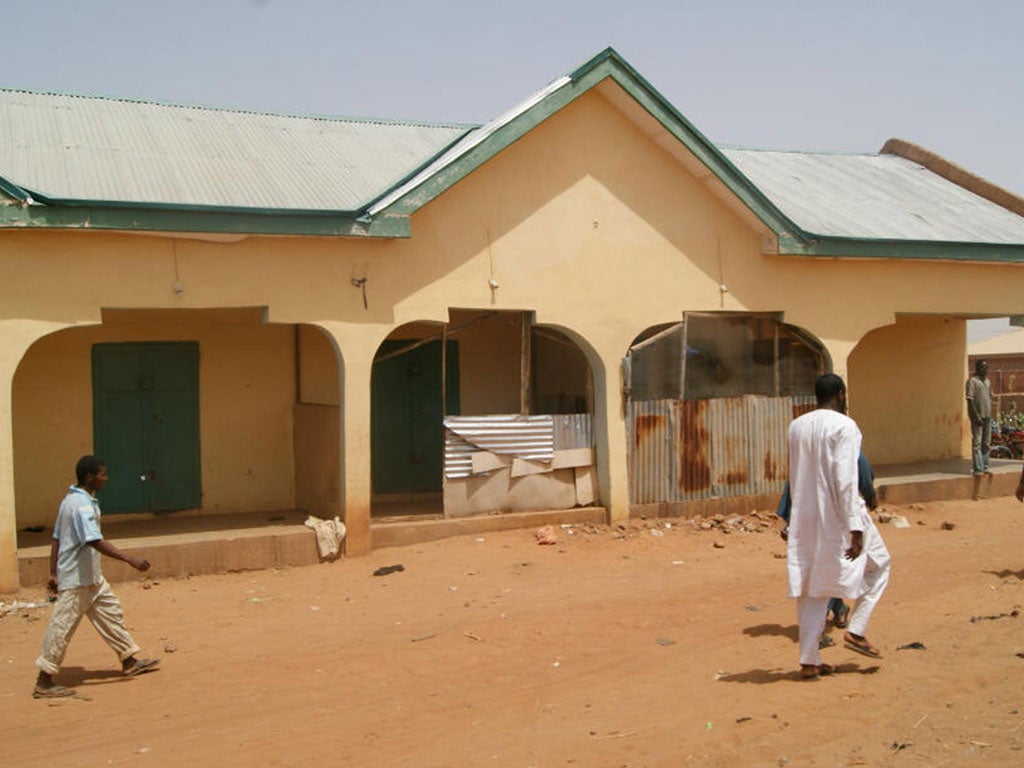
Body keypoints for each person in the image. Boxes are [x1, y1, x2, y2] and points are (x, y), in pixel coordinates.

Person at [786, 374, 892, 680]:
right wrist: (854, 526)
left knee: (812, 585)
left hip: (805, 515)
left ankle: (809, 660)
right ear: (841, 394)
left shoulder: (797, 426)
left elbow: (793, 475)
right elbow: (845, 478)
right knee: (881, 565)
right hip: (840, 514)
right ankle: (856, 630)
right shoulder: (845, 426)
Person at [33, 455, 159, 699]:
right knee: (62, 627)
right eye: (102, 474)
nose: (106, 479)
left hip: (91, 577)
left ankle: (129, 660)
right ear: (89, 477)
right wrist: (129, 559)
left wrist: (52, 572)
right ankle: (44, 680)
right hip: (76, 579)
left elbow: (57, 538)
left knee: (111, 612)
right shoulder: (81, 505)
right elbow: (94, 541)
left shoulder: (70, 499)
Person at [777, 450, 880, 631]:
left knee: (827, 567)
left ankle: (819, 626)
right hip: (813, 520)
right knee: (820, 568)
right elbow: (794, 485)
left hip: (835, 520)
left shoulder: (849, 450)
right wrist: (789, 521)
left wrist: (869, 498)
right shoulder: (810, 454)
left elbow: (864, 476)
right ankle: (839, 608)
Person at [966, 359, 993, 477]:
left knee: (986, 443)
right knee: (977, 442)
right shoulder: (972, 381)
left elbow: (990, 396)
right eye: (983, 368)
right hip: (977, 416)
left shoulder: (987, 381)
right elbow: (970, 399)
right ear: (977, 368)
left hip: (987, 415)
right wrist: (976, 415)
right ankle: (978, 469)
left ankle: (985, 466)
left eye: (987, 368)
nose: (985, 370)